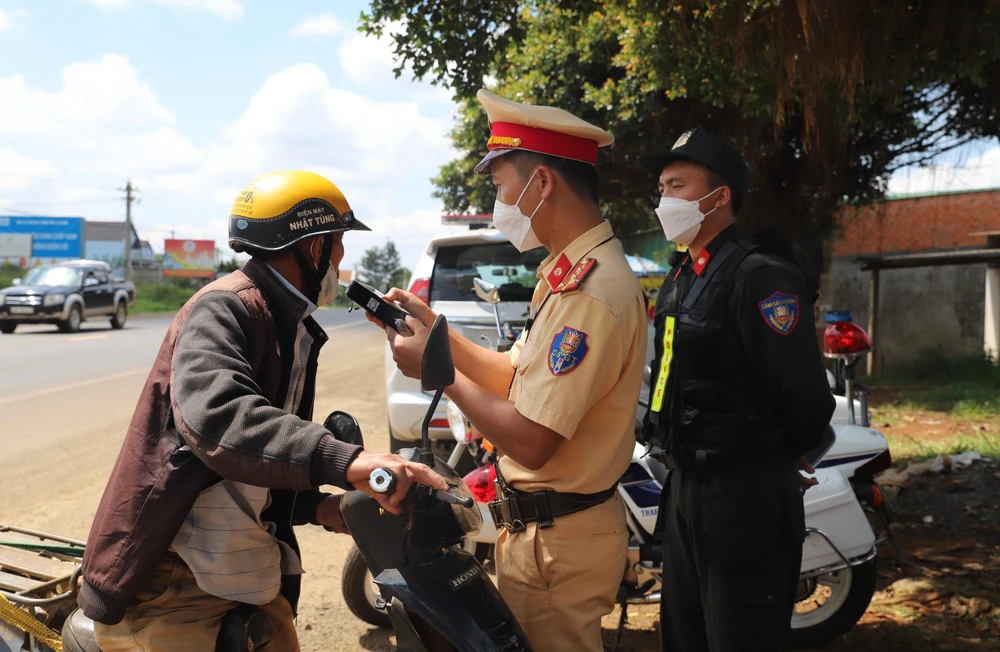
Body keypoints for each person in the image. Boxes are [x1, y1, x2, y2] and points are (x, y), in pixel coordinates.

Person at [79, 170, 447, 651]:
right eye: (337, 244)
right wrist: (347, 460)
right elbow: (218, 417)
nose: (340, 260)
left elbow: (253, 460)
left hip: (243, 573)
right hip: (174, 586)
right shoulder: (224, 308)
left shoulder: (286, 322)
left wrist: (319, 508)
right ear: (312, 248)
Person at [366, 89, 647, 652]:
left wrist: (439, 371)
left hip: (560, 539)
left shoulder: (593, 293)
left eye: (501, 186)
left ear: (542, 183)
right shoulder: (566, 274)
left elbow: (533, 440)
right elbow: (515, 377)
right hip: (546, 534)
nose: (499, 202)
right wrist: (437, 330)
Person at [637, 127, 836, 652]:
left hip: (743, 495)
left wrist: (769, 464)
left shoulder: (760, 276)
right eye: (661, 189)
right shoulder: (684, 275)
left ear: (719, 197)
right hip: (684, 488)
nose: (665, 201)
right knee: (684, 636)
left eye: (677, 186)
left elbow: (806, 399)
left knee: (740, 637)